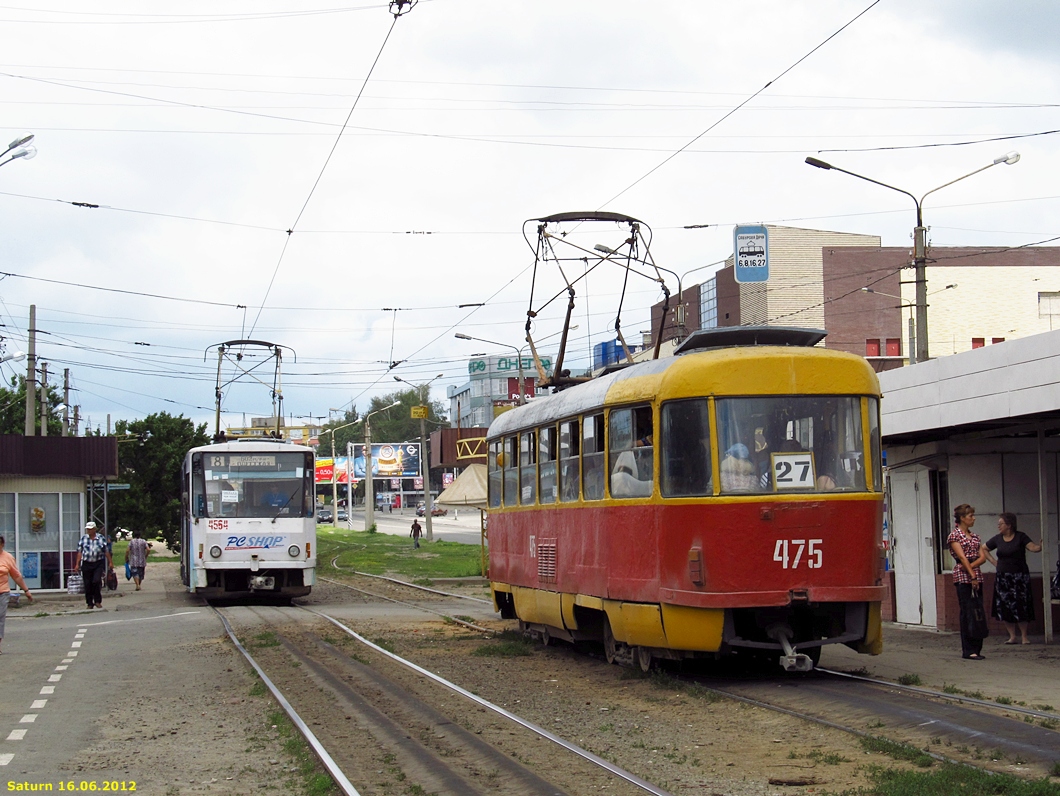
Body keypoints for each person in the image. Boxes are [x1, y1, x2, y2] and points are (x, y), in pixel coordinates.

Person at [985, 512, 1042, 645]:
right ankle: (1012, 636)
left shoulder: (1020, 537)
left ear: (1009, 525)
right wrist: (994, 562)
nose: (998, 526)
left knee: (1021, 605)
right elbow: (983, 549)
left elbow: (1032, 547)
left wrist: (1040, 547)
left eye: (1001, 524)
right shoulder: (997, 539)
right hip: (1003, 577)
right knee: (1005, 606)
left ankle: (1024, 636)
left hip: (1019, 577)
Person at [947, 504, 988, 660]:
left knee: (978, 609)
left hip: (974, 572)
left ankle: (977, 647)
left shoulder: (975, 537)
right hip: (964, 577)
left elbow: (982, 557)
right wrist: (971, 575)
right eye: (970, 516)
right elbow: (961, 557)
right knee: (967, 610)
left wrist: (971, 568)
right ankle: (968, 649)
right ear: (962, 518)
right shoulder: (955, 536)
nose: (973, 518)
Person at [0, 534, 34, 654]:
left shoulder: (8, 557)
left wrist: (26, 590)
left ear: (2, 544)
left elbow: (16, 576)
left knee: (0, 617)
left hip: (2, 592)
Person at [73, 521, 114, 610]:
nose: (89, 531)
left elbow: (106, 551)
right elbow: (79, 552)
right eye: (88, 529)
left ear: (94, 529)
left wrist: (110, 562)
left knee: (96, 581)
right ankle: (89, 603)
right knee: (87, 584)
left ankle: (97, 601)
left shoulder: (100, 538)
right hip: (87, 563)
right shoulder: (84, 539)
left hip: (97, 563)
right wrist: (77, 564)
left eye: (90, 529)